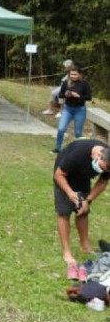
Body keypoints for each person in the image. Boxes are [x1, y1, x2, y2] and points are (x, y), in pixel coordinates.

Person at [53, 138, 110, 280]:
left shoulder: (108, 159)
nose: (102, 171)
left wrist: (88, 200)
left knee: (83, 211)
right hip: (63, 174)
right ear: (98, 156)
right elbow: (58, 174)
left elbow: (102, 182)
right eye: (102, 168)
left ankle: (85, 245)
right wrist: (70, 193)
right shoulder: (78, 153)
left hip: (83, 176)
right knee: (64, 212)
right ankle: (67, 251)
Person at [53, 66, 92, 153]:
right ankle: (58, 148)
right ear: (69, 74)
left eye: (75, 74)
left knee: (78, 132)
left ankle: (78, 150)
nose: (73, 76)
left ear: (79, 74)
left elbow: (89, 97)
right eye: (71, 74)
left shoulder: (84, 83)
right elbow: (60, 95)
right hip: (68, 109)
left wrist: (78, 96)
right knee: (61, 129)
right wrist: (66, 95)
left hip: (80, 110)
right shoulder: (66, 82)